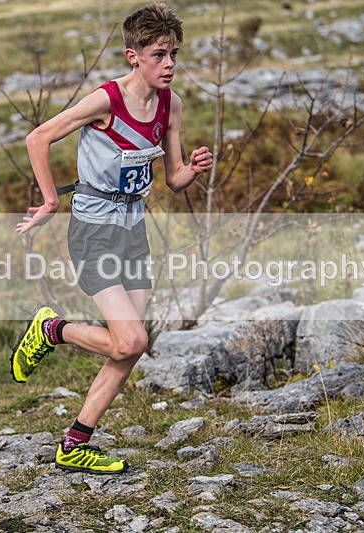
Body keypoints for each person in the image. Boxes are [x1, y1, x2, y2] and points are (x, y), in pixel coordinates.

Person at [11, 2, 213, 475]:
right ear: (132, 56)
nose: (169, 65)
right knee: (130, 340)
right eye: (160, 55)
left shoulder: (171, 105)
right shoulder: (106, 101)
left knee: (130, 348)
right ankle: (51, 330)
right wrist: (51, 201)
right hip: (94, 229)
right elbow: (37, 138)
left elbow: (173, 180)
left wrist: (193, 170)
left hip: (133, 230)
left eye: (174, 54)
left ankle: (74, 443)